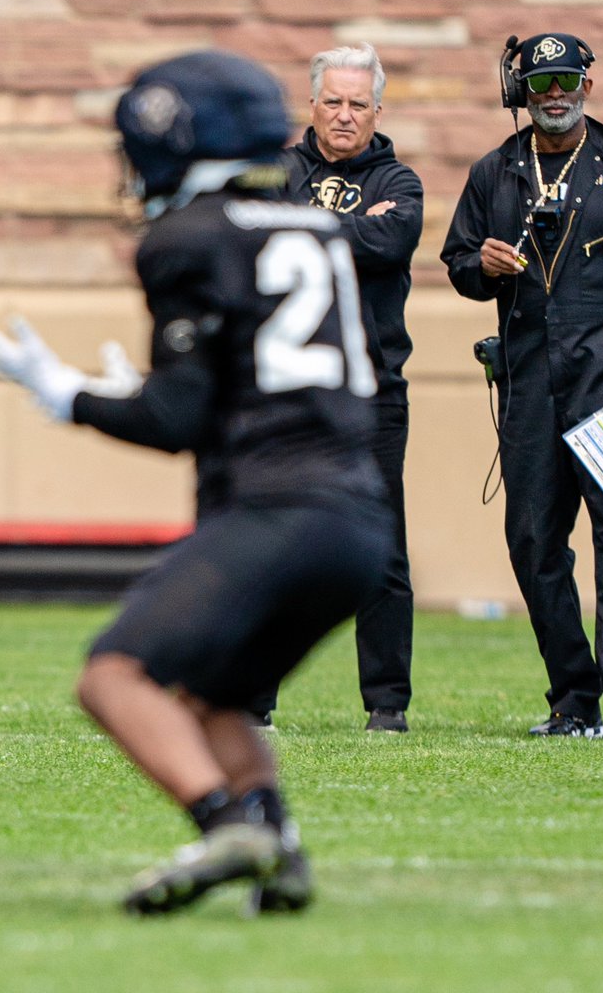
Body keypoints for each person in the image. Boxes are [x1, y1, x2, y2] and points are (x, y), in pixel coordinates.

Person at [0, 50, 393, 915]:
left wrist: (70, 396)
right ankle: (279, 843)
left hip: (278, 509)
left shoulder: (186, 240)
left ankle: (225, 821)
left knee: (115, 676)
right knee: (214, 695)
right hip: (360, 522)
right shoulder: (314, 229)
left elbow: (176, 422)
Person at [440, 31, 603, 744]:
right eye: (542, 83)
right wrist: (481, 264)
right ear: (522, 91)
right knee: (532, 540)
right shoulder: (497, 171)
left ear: (588, 84)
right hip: (527, 383)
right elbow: (457, 262)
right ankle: (572, 699)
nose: (555, 95)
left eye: (566, 80)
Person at [252, 43, 422, 734]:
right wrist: (354, 229)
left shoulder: (401, 182)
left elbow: (392, 242)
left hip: (372, 394)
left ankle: (387, 704)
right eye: (333, 101)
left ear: (377, 110)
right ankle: (253, 697)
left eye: (358, 103)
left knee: (381, 552)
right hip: (287, 394)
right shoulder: (275, 172)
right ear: (312, 105)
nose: (345, 114)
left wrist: (300, 228)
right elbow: (255, 241)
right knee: (266, 545)